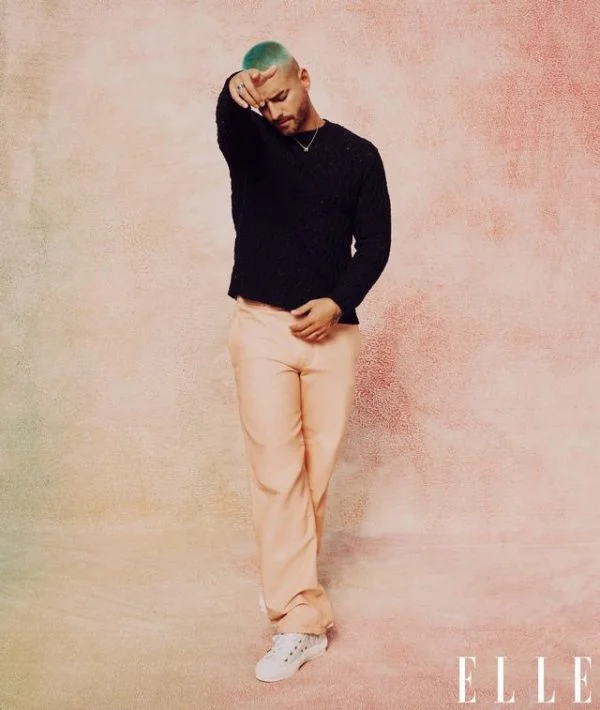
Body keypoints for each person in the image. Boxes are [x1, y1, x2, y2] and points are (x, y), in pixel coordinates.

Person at [215, 40, 392, 682]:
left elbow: (376, 242)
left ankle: (294, 595)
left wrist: (339, 302)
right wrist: (233, 88)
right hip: (262, 327)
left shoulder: (358, 155)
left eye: (283, 96)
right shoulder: (252, 143)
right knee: (278, 474)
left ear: (305, 78)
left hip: (332, 336)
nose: (277, 113)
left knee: (313, 478)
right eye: (264, 102)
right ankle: (297, 620)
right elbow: (230, 118)